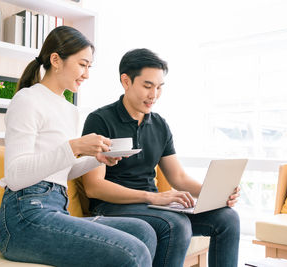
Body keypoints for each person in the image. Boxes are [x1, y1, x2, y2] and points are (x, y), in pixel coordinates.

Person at [0, 27, 157, 267]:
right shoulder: (27, 99)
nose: (87, 74)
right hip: (23, 217)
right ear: (56, 60)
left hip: (57, 209)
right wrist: (74, 146)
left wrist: (96, 159)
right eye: (83, 65)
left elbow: (60, 172)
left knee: (144, 231)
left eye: (90, 67)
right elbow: (16, 176)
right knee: (132, 252)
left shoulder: (69, 110)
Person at [82, 48, 241, 267]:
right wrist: (152, 197)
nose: (154, 94)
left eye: (159, 87)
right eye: (147, 86)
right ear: (126, 81)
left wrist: (217, 195)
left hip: (152, 207)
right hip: (112, 207)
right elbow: (94, 187)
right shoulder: (100, 120)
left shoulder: (159, 124)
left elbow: (178, 177)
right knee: (176, 224)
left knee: (227, 218)